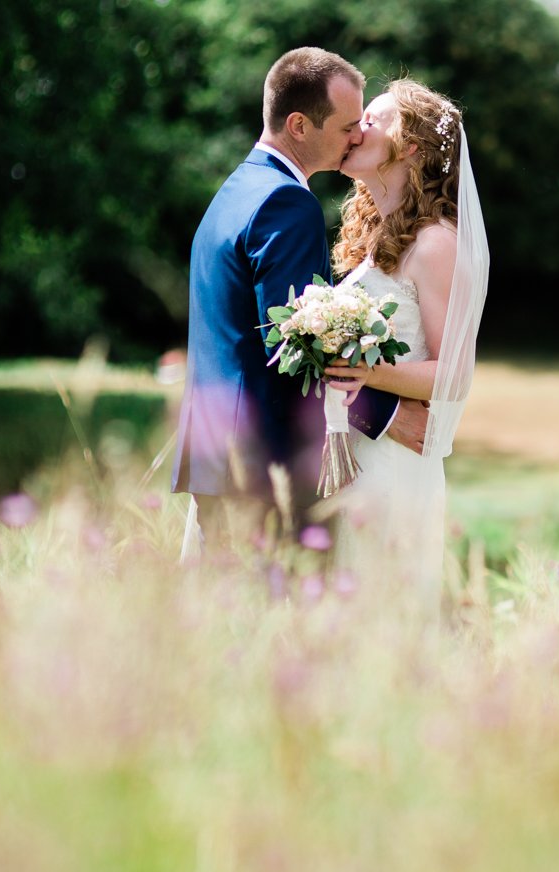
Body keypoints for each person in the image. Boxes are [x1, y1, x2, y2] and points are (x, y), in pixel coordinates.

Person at [171, 48, 427, 555]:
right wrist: (388, 416)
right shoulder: (288, 204)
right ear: (299, 125)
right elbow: (297, 346)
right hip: (264, 464)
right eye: (347, 125)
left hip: (215, 455)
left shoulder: (236, 189)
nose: (357, 136)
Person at [322, 78, 489, 608]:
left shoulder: (436, 243)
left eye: (375, 117)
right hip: (352, 455)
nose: (358, 125)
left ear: (411, 145)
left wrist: (362, 371)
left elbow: (454, 374)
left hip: (393, 468)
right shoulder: (374, 235)